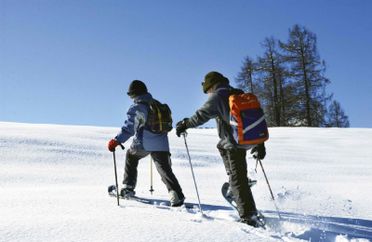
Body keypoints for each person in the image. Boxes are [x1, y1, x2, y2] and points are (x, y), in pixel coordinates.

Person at [175, 71, 266, 227]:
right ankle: (238, 181)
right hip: (249, 140)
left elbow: (201, 115)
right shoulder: (238, 93)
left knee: (238, 180)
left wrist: (185, 124)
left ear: (211, 86)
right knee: (222, 147)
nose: (208, 93)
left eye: (207, 90)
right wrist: (260, 144)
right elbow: (254, 119)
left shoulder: (217, 96)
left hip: (234, 144)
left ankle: (248, 216)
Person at [108, 80, 185, 207]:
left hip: (144, 142)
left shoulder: (138, 107)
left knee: (131, 156)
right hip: (162, 144)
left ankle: (128, 188)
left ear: (134, 94)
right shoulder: (157, 104)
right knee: (165, 170)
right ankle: (176, 195)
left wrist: (117, 140)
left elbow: (130, 127)